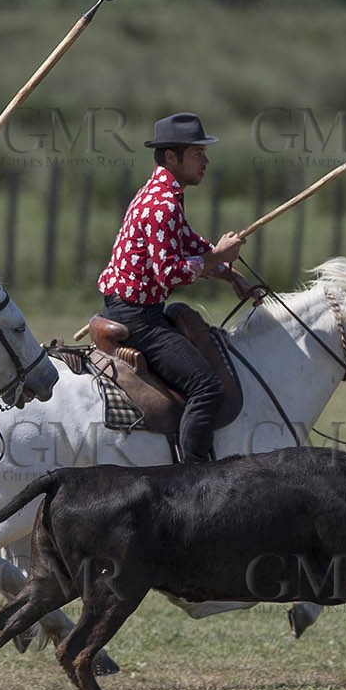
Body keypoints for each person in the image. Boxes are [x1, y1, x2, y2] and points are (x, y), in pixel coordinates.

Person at [97, 113, 263, 463]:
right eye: (197, 153)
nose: (206, 160)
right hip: (139, 317)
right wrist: (218, 255)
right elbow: (169, 274)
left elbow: (192, 248)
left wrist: (230, 273)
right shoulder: (162, 204)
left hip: (135, 307)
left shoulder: (162, 194)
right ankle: (192, 475)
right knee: (207, 388)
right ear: (171, 157)